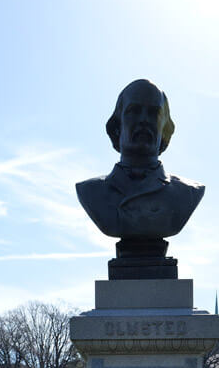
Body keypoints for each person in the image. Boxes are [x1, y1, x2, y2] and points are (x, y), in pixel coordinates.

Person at [75, 78, 204, 244]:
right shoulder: (91, 191)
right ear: (117, 126)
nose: (143, 119)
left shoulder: (187, 192)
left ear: (165, 129)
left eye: (153, 113)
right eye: (134, 111)